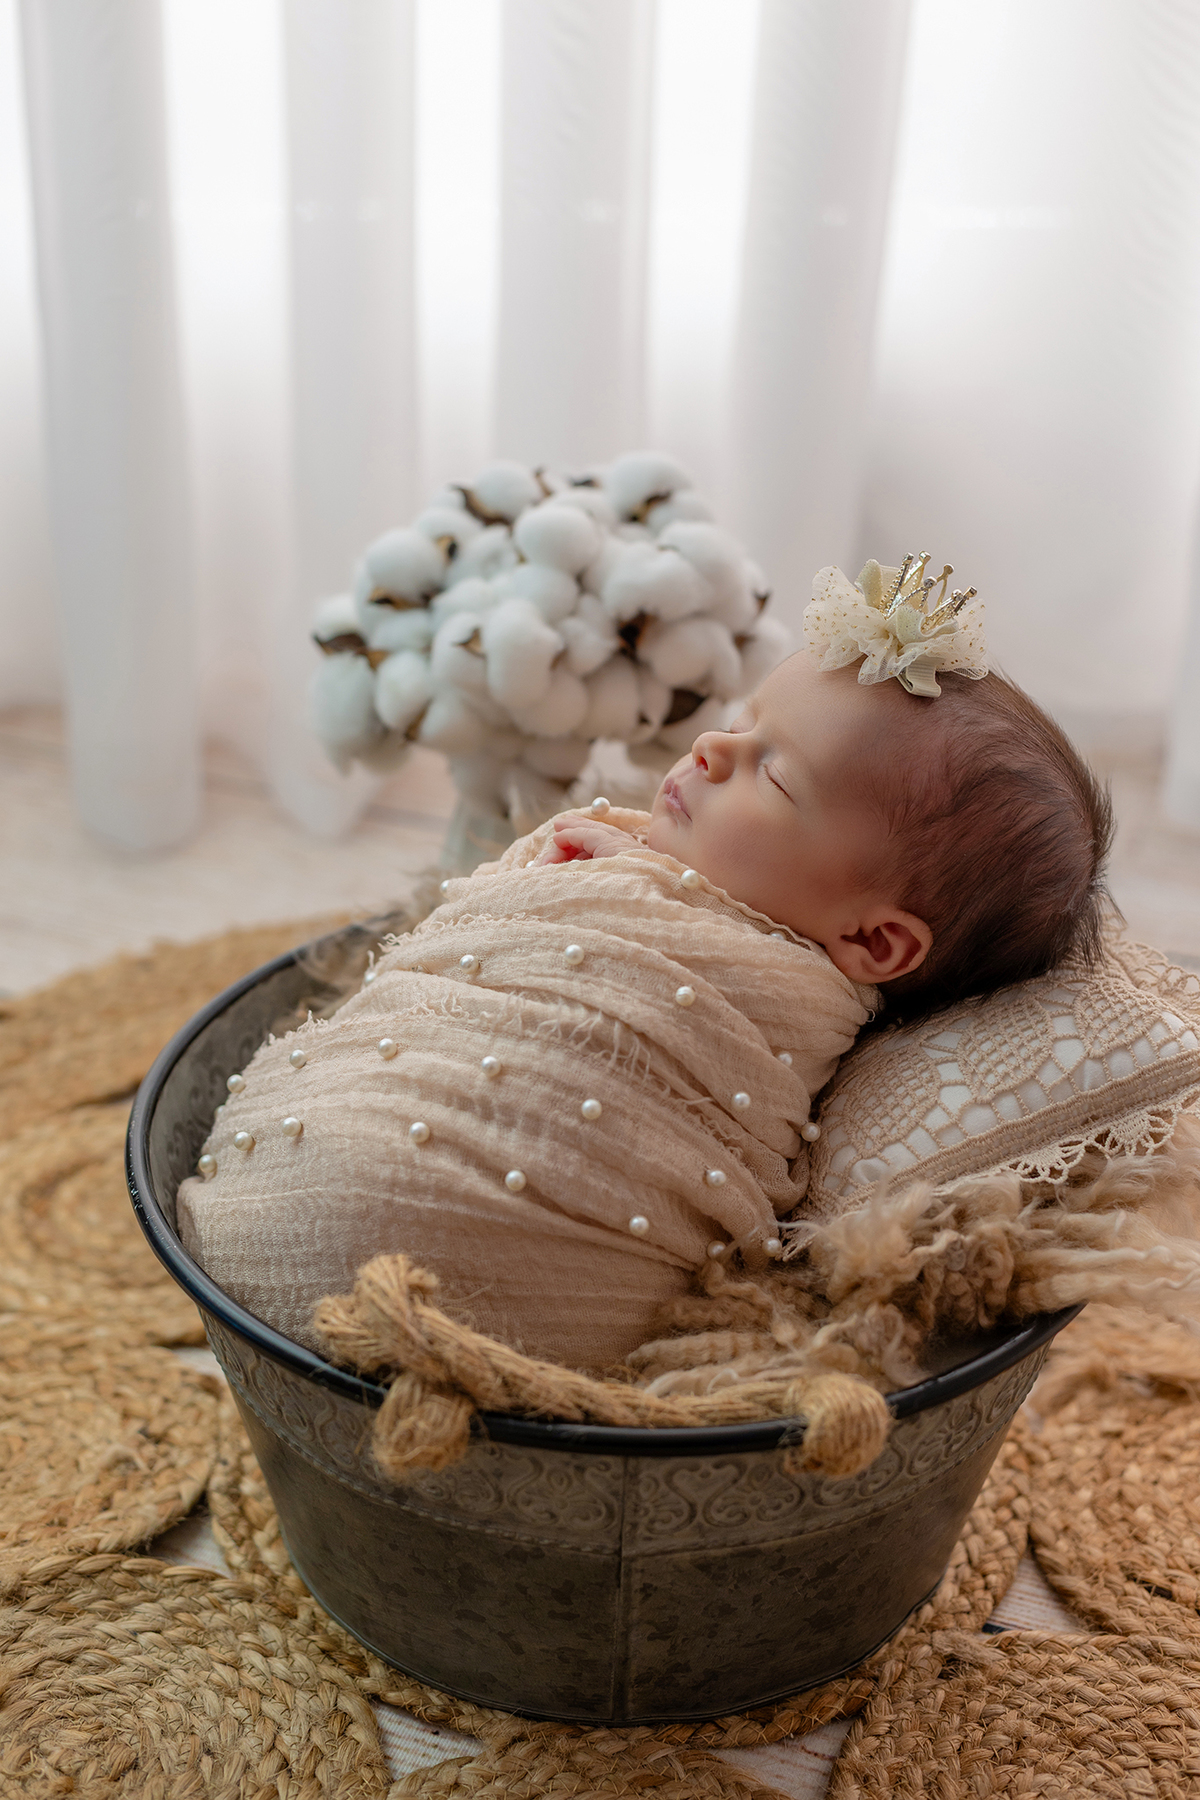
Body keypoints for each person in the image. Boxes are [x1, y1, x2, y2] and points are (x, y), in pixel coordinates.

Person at [177, 557, 1113, 1370]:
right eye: (746, 724)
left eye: (774, 774)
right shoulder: (624, 858)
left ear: (873, 943)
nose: (713, 749)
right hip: (358, 1144)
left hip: (508, 1300)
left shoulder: (780, 999)